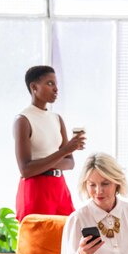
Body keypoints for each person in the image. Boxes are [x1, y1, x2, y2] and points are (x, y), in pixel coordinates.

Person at [13, 65, 86, 222]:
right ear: (34, 87)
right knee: (38, 242)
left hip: (59, 187)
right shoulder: (23, 120)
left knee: (66, 240)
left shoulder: (57, 119)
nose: (56, 89)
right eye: (50, 83)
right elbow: (26, 169)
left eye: (56, 84)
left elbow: (70, 163)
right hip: (35, 189)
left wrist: (64, 153)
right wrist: (64, 151)